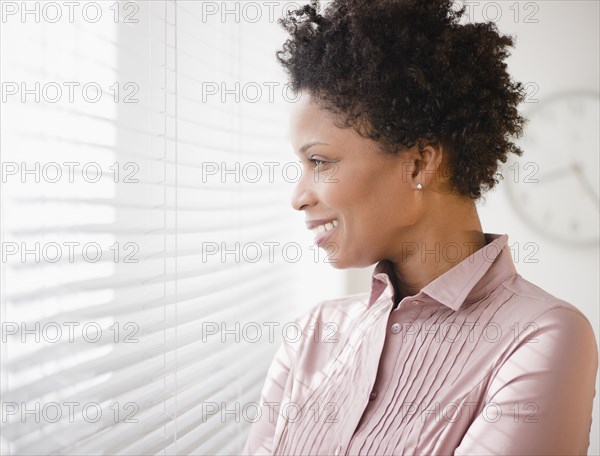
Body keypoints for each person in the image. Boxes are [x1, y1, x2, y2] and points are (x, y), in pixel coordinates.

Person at [242, 0, 599, 454]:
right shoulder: (313, 333)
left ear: (417, 163)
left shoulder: (542, 335)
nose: (298, 197)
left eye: (319, 161)